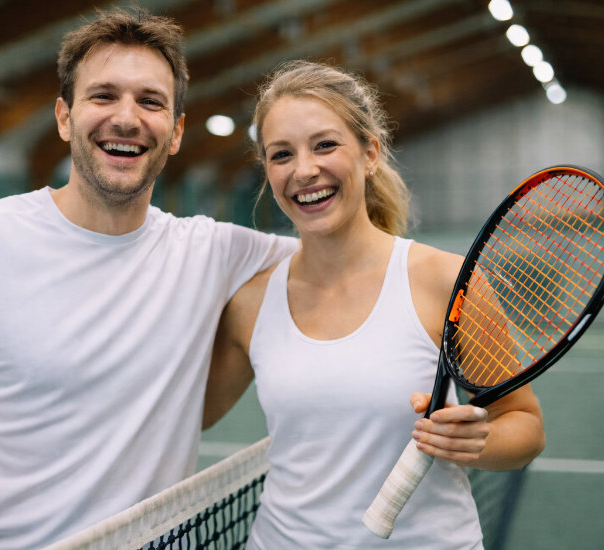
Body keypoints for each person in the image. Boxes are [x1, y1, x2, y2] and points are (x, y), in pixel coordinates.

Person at [0, 8, 297, 550]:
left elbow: (359, 257)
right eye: (103, 95)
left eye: (150, 101)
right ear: (64, 117)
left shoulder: (217, 251)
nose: (126, 118)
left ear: (176, 132)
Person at [203, 60, 546, 548]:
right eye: (281, 154)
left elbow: (525, 425)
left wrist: (478, 442)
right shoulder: (251, 303)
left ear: (369, 153)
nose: (304, 170)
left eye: (325, 145)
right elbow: (188, 414)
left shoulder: (446, 281)